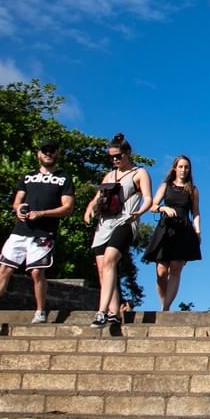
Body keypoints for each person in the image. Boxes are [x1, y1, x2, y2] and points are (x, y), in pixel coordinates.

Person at [0, 139, 76, 327]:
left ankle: (40, 312)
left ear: (57, 154)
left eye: (52, 151)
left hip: (43, 232)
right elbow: (17, 201)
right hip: (20, 231)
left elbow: (68, 208)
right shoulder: (27, 177)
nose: (48, 154)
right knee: (4, 269)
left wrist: (42, 213)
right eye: (45, 151)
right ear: (38, 154)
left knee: (36, 272)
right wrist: (19, 208)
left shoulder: (64, 178)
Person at [83, 133, 152, 328]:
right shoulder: (109, 175)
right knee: (104, 270)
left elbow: (148, 197)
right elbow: (97, 198)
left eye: (118, 156)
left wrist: (140, 211)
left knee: (111, 259)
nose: (115, 159)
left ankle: (101, 312)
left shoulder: (139, 173)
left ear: (127, 153)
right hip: (105, 224)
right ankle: (114, 311)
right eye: (111, 156)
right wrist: (90, 208)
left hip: (126, 221)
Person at [145, 155, 202, 311]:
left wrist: (198, 231)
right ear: (175, 168)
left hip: (184, 230)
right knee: (161, 271)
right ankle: (163, 302)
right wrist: (164, 208)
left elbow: (196, 212)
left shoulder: (193, 190)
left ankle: (165, 308)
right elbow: (153, 205)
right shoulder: (166, 185)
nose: (184, 170)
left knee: (175, 268)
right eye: (181, 166)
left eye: (186, 167)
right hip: (166, 230)